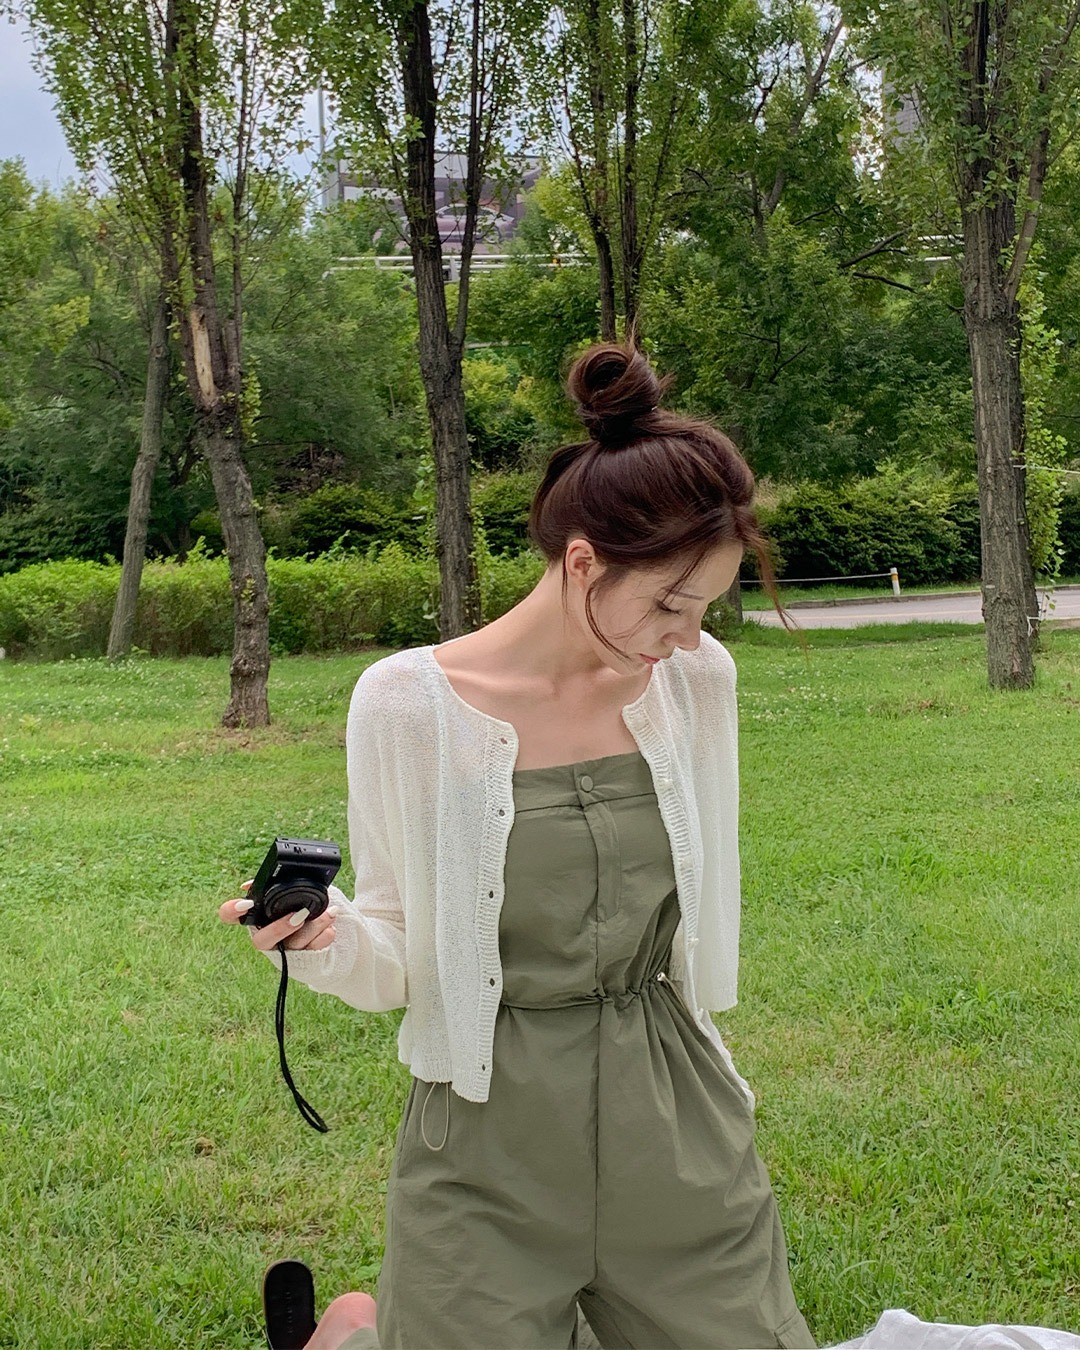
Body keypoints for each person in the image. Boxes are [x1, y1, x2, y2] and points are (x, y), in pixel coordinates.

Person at [220, 340, 813, 1350]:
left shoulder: (696, 681)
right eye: (669, 604)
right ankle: (353, 1334)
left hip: (673, 1113)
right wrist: (327, 940)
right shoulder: (409, 704)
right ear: (582, 563)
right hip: (484, 1130)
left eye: (704, 608)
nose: (686, 635)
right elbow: (399, 947)